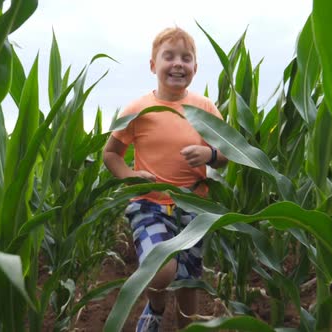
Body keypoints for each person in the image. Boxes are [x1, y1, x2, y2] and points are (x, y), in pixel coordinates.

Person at [103, 26, 228, 331]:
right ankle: (157, 305)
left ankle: (187, 326)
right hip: (150, 204)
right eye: (168, 56)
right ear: (152, 65)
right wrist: (131, 177)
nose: (178, 63)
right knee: (161, 269)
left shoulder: (205, 108)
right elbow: (111, 154)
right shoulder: (138, 109)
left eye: (186, 58)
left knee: (188, 281)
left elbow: (227, 153)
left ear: (195, 69)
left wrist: (208, 155)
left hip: (195, 210)